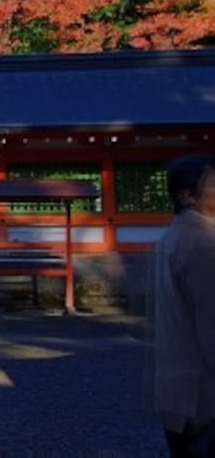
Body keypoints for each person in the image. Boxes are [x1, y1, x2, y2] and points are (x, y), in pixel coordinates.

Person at [152, 154, 215, 456]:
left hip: (175, 389)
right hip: (204, 396)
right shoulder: (204, 243)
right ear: (187, 196)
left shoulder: (170, 237)